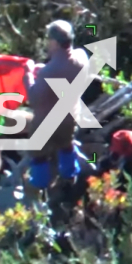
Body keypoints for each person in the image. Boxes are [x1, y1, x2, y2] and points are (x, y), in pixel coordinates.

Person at [23, 20, 91, 191]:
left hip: (46, 122)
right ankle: (70, 177)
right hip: (70, 119)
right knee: (66, 145)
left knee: (38, 154)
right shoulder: (82, 57)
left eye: (48, 39)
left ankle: (39, 186)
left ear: (54, 42)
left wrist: (28, 74)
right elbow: (63, 69)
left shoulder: (48, 72)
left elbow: (34, 98)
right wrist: (44, 69)